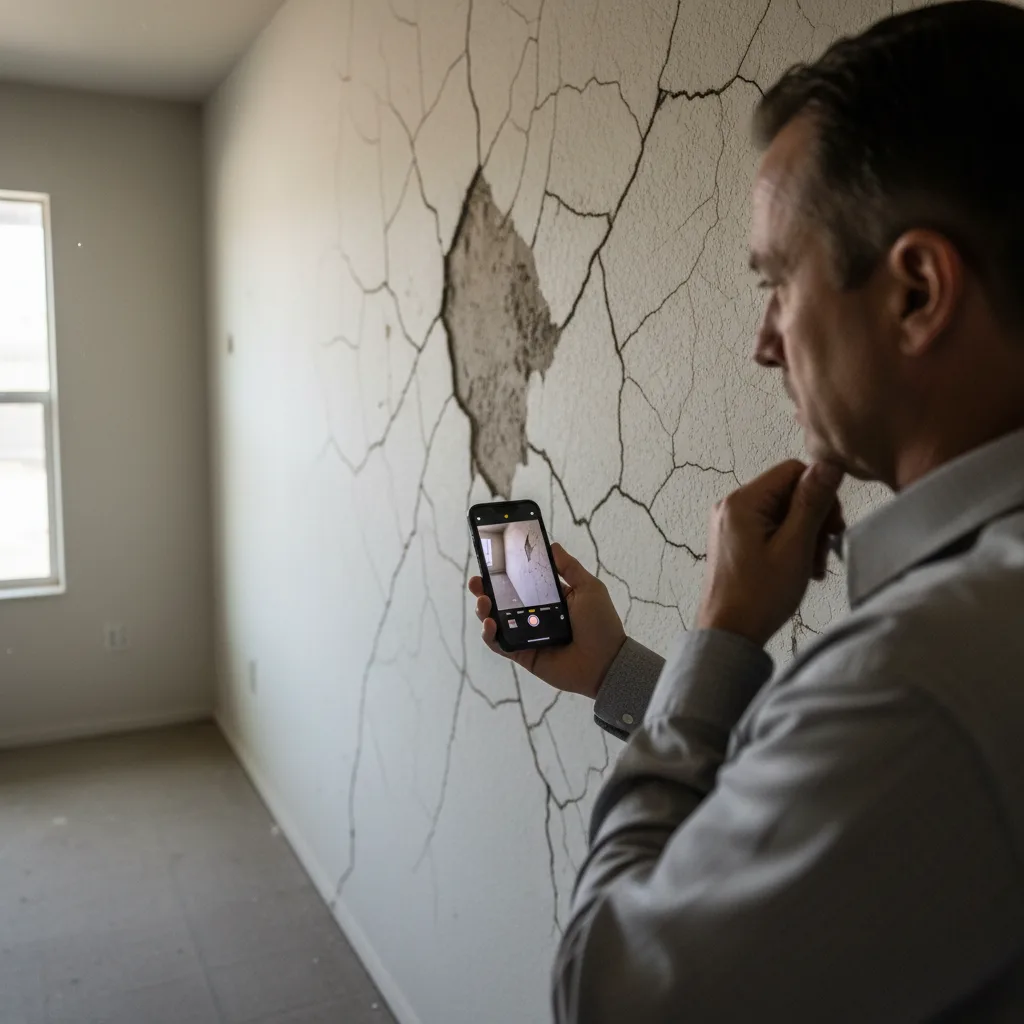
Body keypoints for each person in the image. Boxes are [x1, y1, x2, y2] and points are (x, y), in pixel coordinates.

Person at [467, 2, 1024, 1020]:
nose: (763, 343)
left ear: (915, 292)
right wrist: (624, 671)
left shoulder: (929, 676)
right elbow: (826, 817)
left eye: (777, 281)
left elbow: (608, 993)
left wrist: (721, 632)